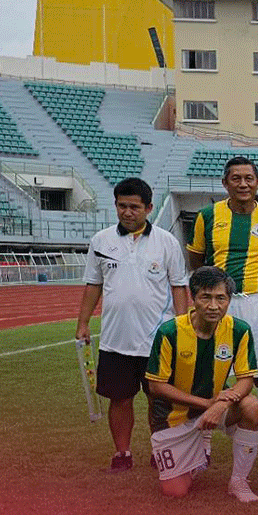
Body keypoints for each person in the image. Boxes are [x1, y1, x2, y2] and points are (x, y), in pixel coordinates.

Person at [185, 156, 258, 465]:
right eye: (236, 178)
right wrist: (215, 292)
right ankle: (203, 445)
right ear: (225, 183)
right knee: (211, 374)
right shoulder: (207, 216)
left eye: (249, 178)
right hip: (219, 304)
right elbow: (196, 261)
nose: (243, 184)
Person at [77, 177, 189, 471]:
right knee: (120, 399)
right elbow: (93, 284)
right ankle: (122, 453)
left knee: (159, 399)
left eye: (134, 207)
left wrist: (182, 327)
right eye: (122, 206)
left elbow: (179, 286)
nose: (127, 212)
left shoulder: (167, 242)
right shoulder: (101, 241)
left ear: (149, 208)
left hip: (158, 340)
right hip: (116, 339)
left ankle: (160, 449)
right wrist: (83, 322)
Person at [145, 266, 258, 499]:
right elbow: (156, 386)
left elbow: (246, 380)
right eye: (205, 297)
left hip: (215, 408)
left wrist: (219, 405)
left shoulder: (239, 330)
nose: (213, 306)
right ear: (193, 298)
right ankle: (195, 457)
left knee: (252, 406)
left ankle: (239, 481)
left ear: (229, 300)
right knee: (175, 491)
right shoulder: (170, 332)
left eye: (221, 298)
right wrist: (206, 404)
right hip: (173, 416)